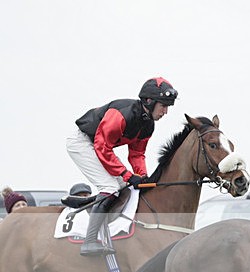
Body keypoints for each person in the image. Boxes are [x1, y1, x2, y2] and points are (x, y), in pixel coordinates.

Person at [66, 77, 178, 256]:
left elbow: (136, 154)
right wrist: (127, 174)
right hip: (81, 142)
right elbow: (102, 146)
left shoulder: (148, 125)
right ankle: (89, 241)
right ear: (149, 101)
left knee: (121, 187)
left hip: (97, 145)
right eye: (163, 106)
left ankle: (88, 203)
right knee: (110, 187)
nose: (165, 112)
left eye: (168, 107)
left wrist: (141, 176)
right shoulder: (122, 115)